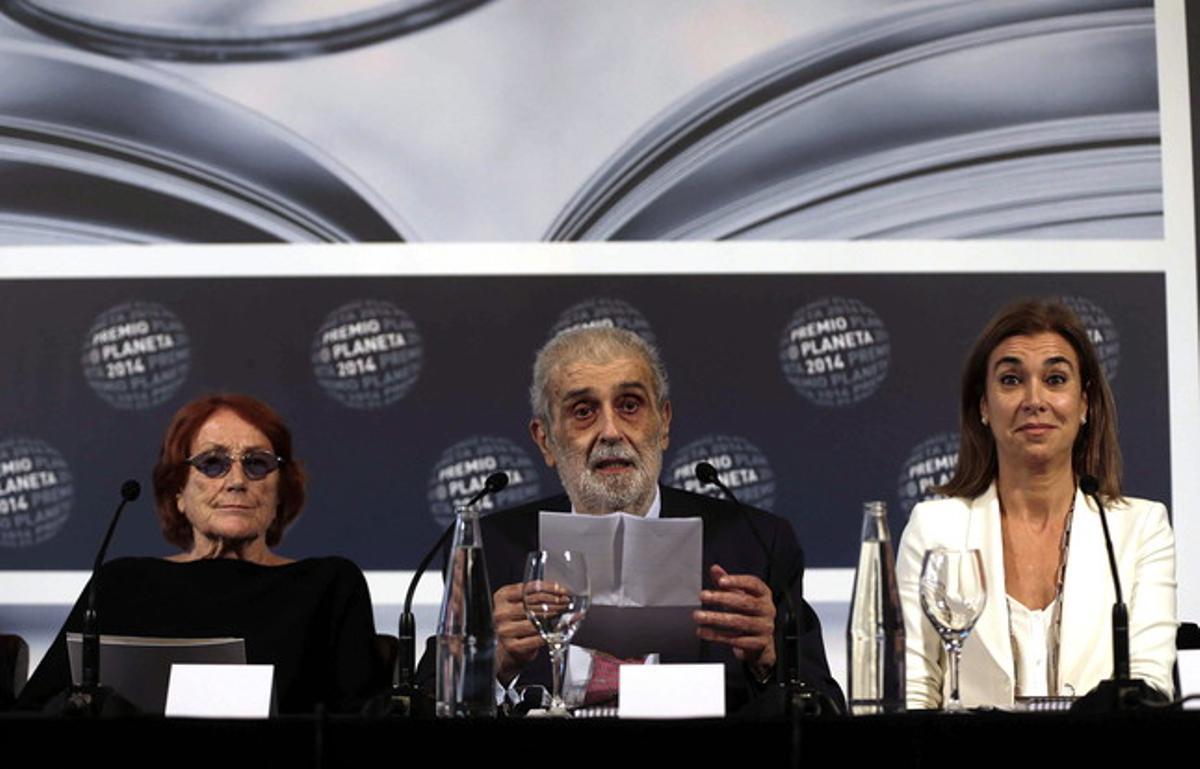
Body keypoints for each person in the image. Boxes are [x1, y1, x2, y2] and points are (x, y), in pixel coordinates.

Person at [482, 326, 843, 713]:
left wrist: (770, 661)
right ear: (545, 440)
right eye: (583, 412)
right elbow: (425, 702)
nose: (610, 431)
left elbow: (825, 705)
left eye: (630, 405)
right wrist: (491, 666)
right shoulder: (491, 549)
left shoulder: (754, 543)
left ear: (664, 422)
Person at [18, 394, 385, 714]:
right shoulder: (119, 585)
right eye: (213, 463)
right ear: (178, 492)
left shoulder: (329, 585)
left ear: (280, 492)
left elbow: (361, 726)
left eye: (257, 463)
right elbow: (38, 711)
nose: (237, 480)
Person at [896, 300, 1176, 709]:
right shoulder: (934, 527)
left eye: (1056, 379)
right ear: (983, 407)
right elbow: (913, 691)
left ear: (1084, 404)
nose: (1034, 399)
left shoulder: (1141, 528)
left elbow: (1149, 686)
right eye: (1011, 380)